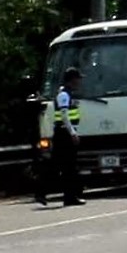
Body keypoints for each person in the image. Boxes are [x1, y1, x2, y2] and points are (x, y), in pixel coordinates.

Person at [48, 66, 85, 207]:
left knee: (68, 166)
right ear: (72, 80)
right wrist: (73, 133)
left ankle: (71, 196)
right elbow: (64, 116)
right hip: (64, 134)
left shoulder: (69, 94)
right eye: (78, 79)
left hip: (65, 133)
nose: (79, 82)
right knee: (67, 166)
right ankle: (69, 197)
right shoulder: (64, 95)